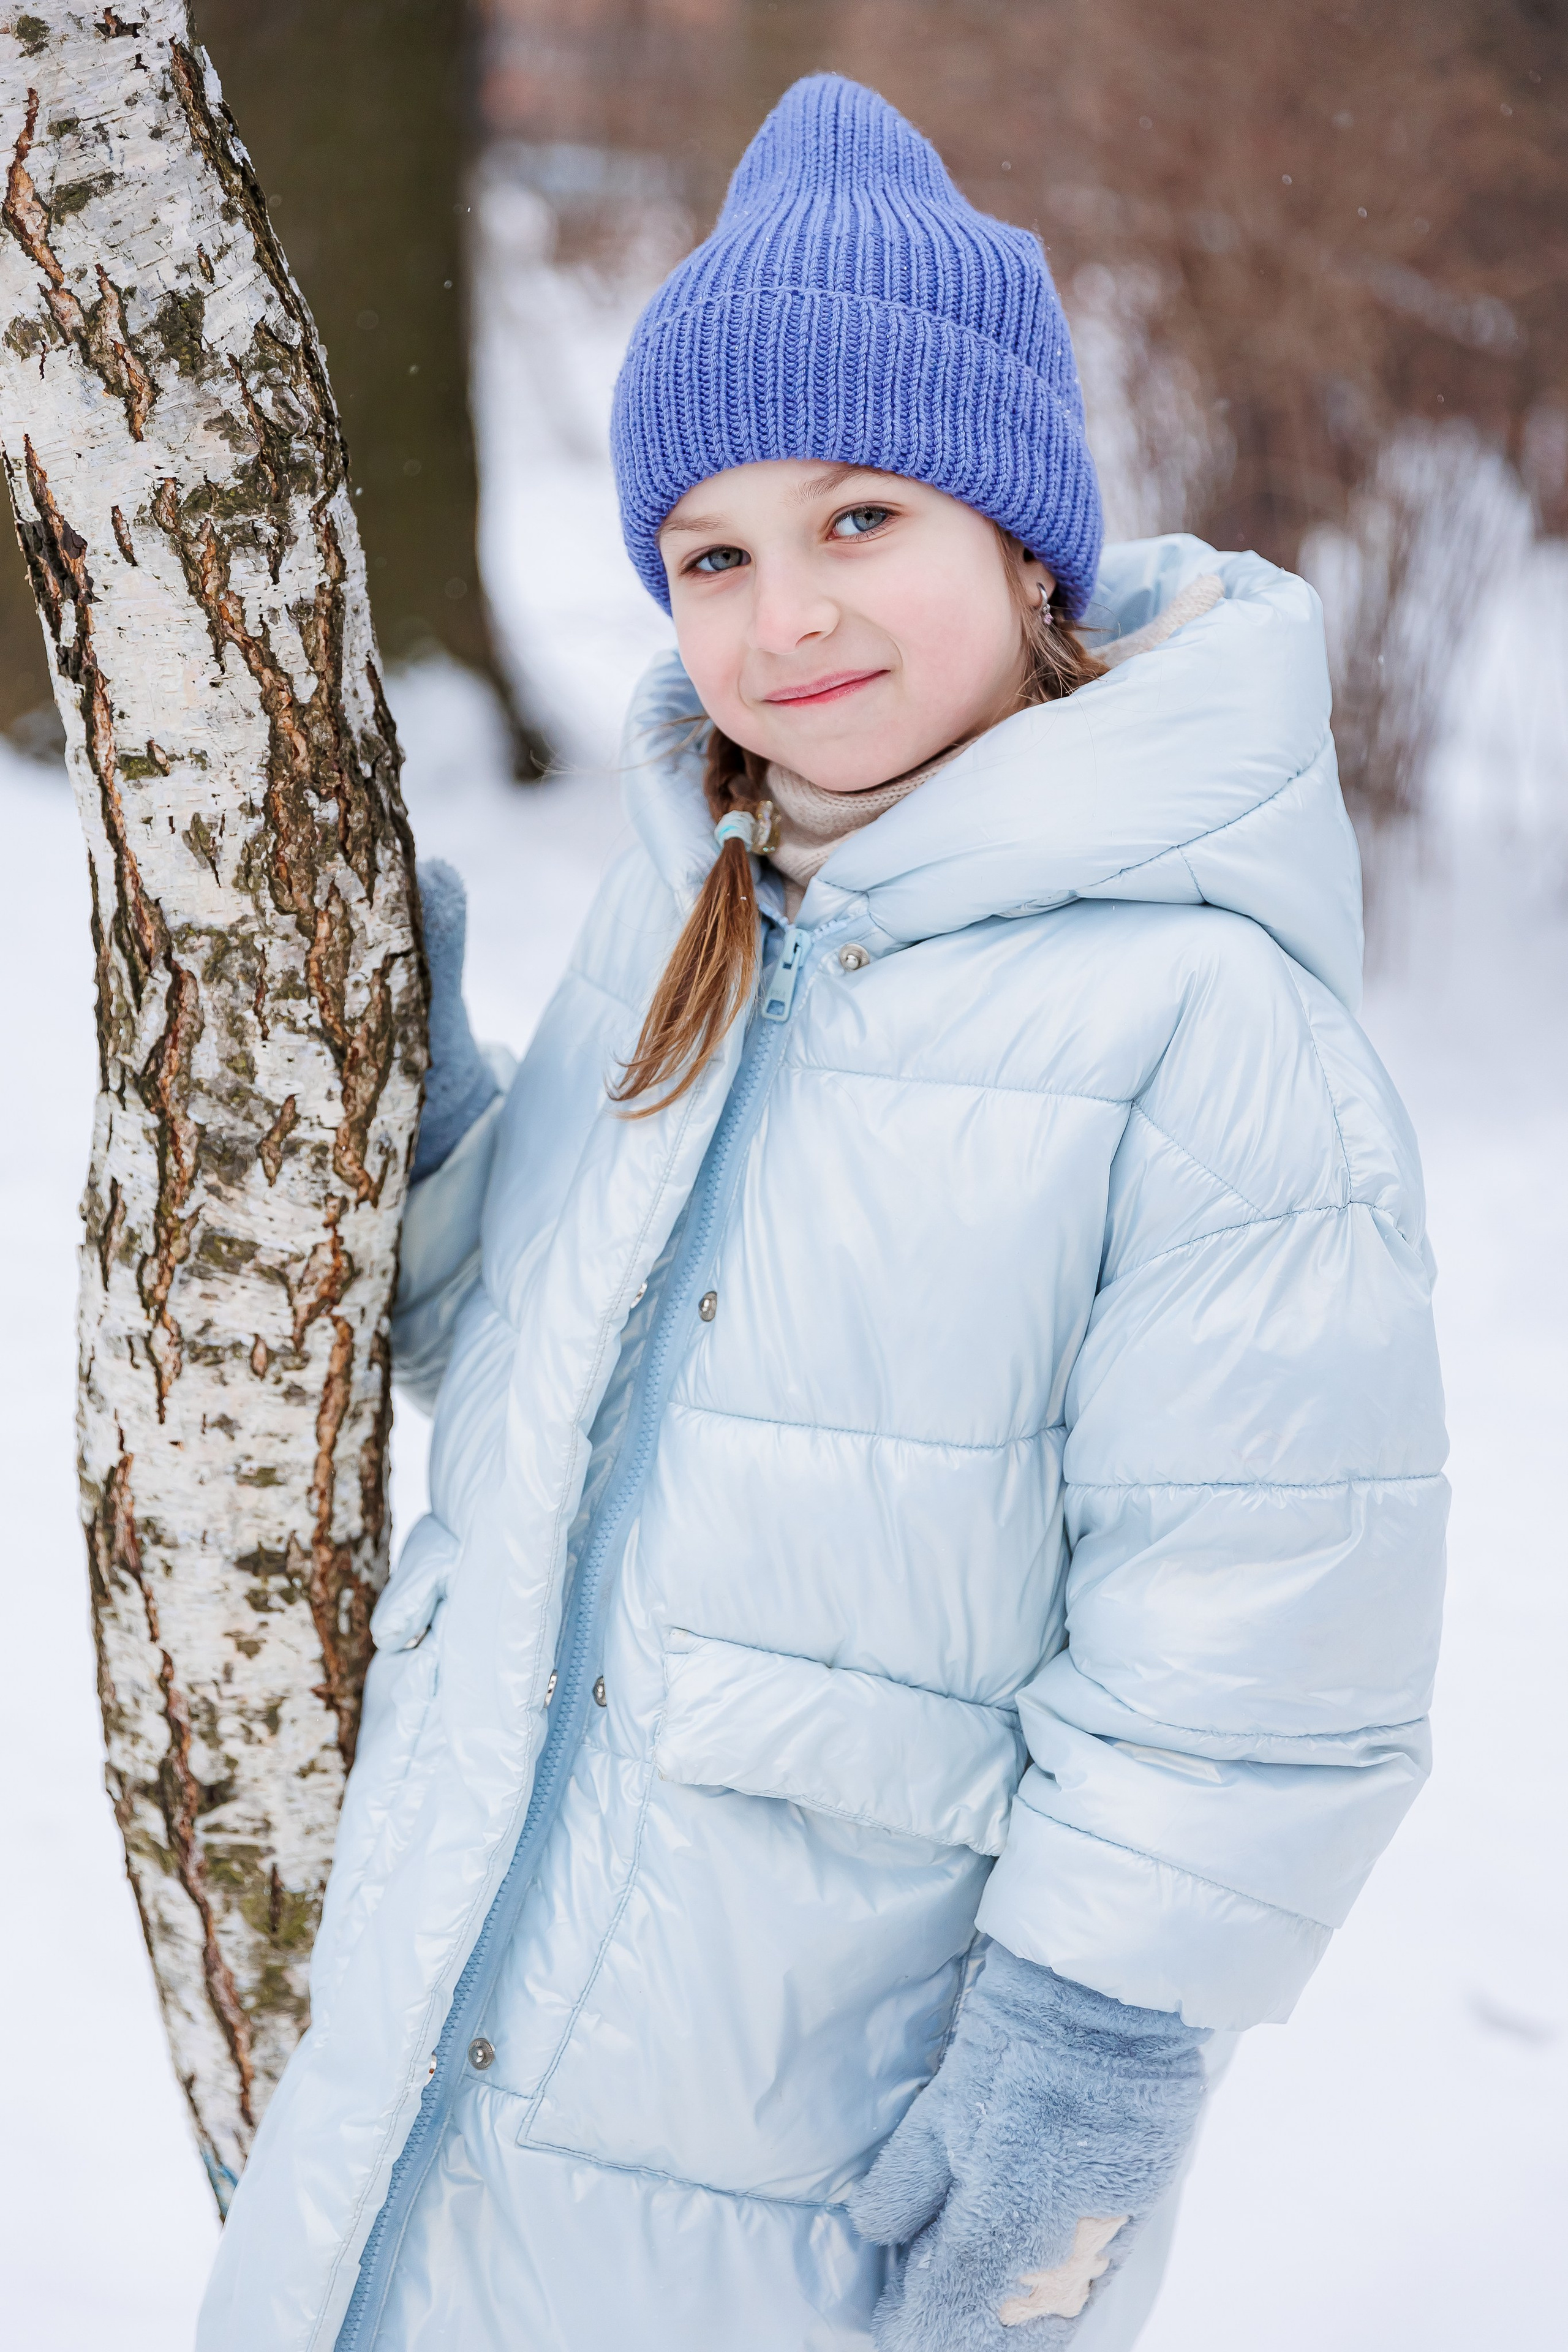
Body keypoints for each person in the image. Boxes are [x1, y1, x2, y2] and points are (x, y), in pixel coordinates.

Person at [199, 75, 1447, 2352]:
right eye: (713, 557)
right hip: (468, 2046)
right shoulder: (697, 914)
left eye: (861, 516)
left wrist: (1091, 2055)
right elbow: (533, 1347)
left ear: (1025, 542)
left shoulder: (1197, 1025)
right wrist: (405, 1114)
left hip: (820, 2111)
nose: (787, 618)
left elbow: (1268, 1625)